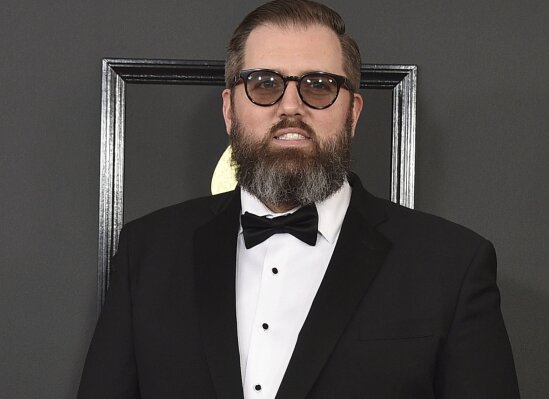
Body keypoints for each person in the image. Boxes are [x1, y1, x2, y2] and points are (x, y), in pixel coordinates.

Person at [77, 1, 520, 398]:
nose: (291, 106)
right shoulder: (147, 251)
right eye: (265, 83)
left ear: (353, 113)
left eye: (319, 84)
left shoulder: (452, 265)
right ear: (230, 110)